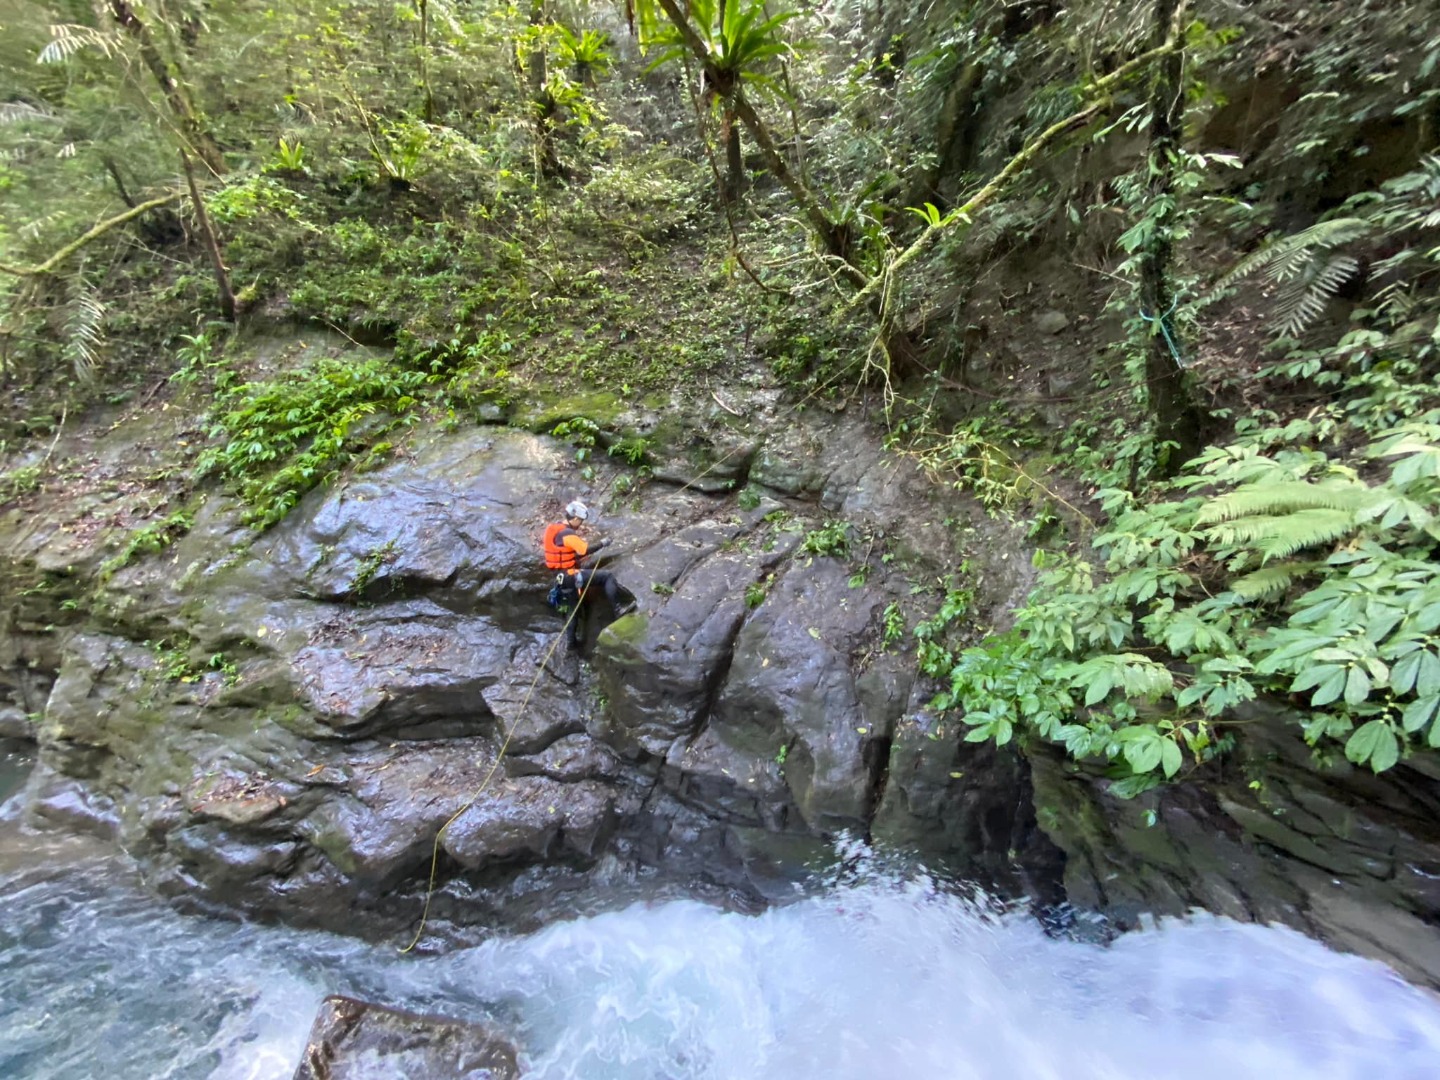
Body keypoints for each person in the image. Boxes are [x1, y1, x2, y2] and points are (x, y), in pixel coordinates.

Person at [543, 500, 633, 649]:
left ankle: (571, 644)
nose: (581, 524)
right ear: (576, 518)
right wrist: (603, 543)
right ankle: (618, 608)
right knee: (607, 577)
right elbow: (583, 550)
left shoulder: (553, 529)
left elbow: (561, 554)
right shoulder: (567, 533)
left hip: (559, 578)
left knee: (573, 610)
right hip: (571, 576)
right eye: (581, 521)